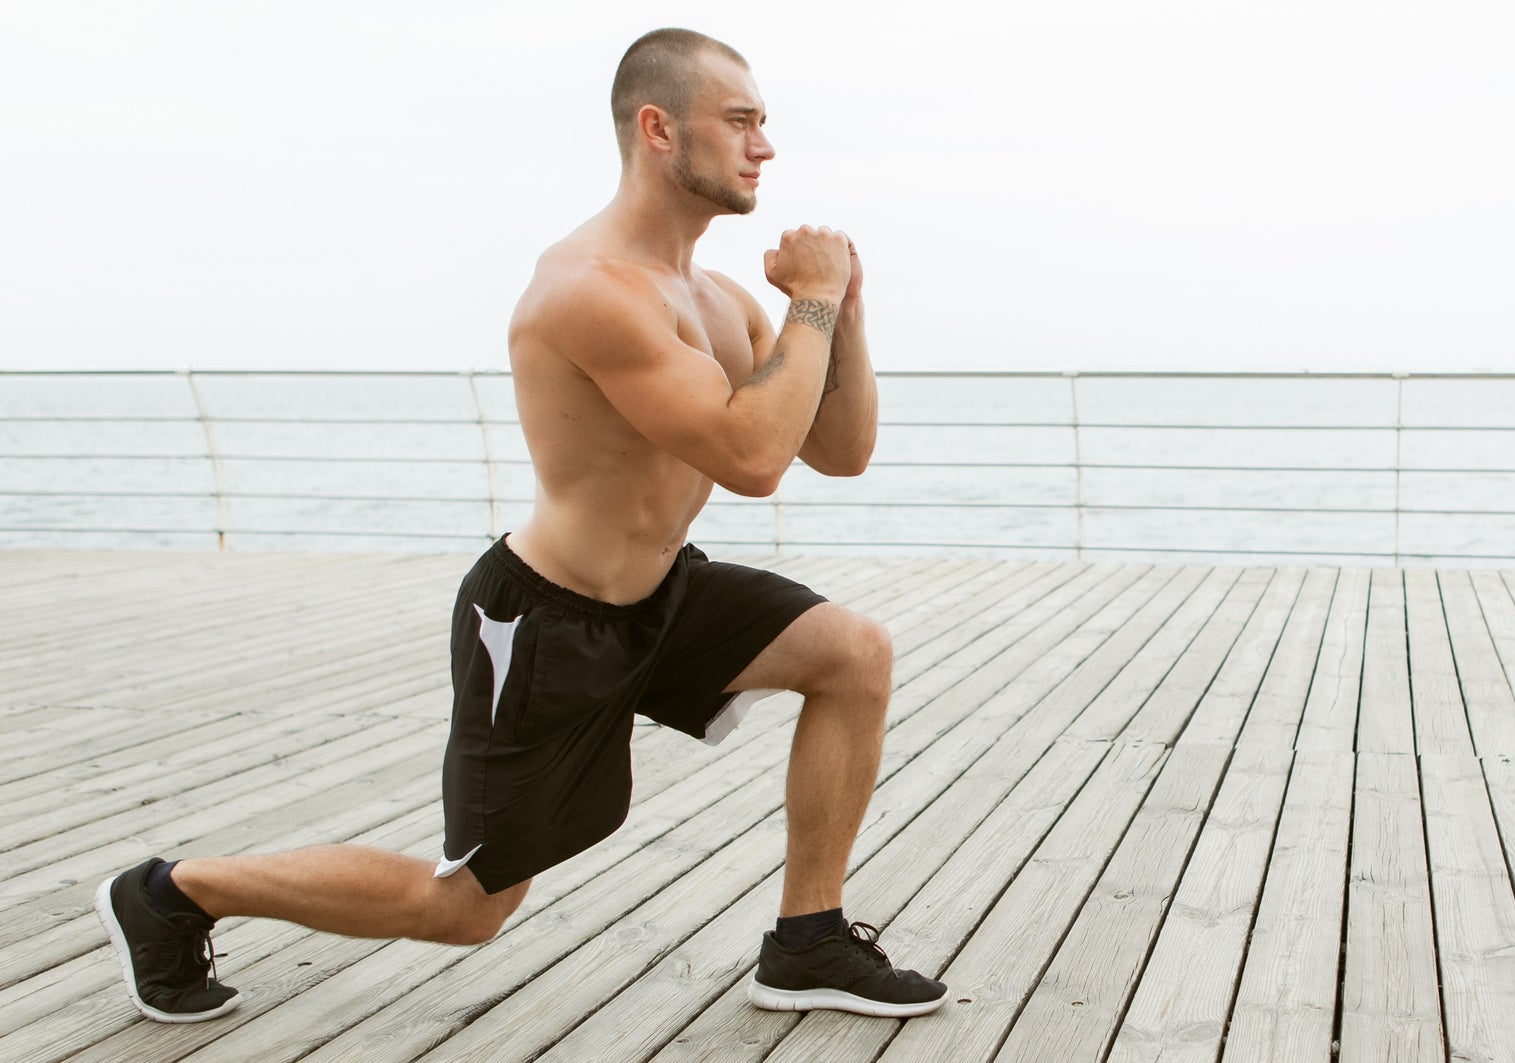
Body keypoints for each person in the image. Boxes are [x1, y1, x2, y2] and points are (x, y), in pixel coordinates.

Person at [96, 27, 946, 1025]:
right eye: (742, 121)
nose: (765, 146)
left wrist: (840, 312)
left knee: (852, 653)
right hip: (547, 623)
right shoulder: (589, 291)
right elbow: (753, 459)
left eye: (766, 124)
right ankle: (173, 891)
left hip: (661, 592)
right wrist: (806, 297)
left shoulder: (717, 299)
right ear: (659, 129)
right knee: (463, 907)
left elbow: (836, 451)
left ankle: (807, 942)